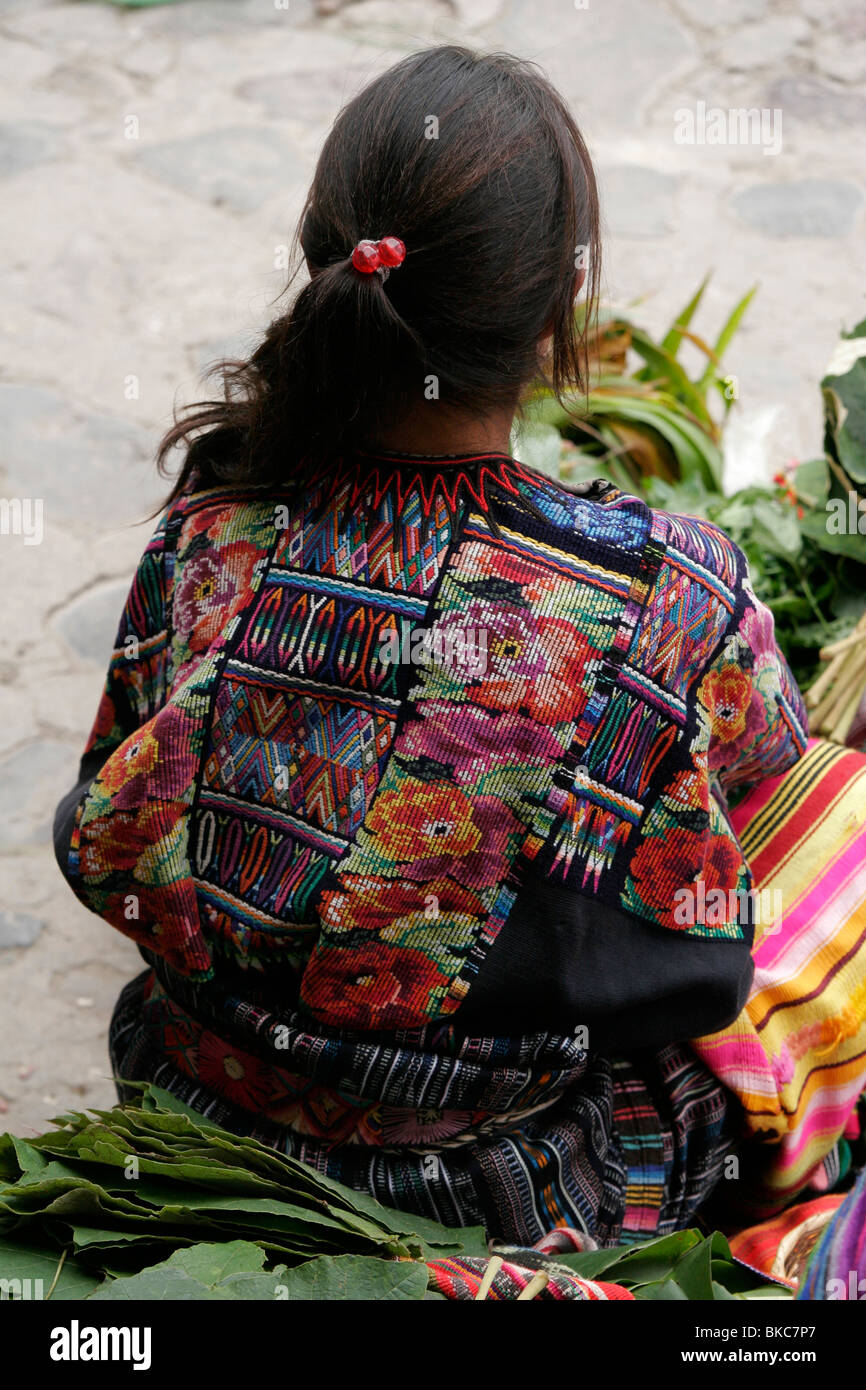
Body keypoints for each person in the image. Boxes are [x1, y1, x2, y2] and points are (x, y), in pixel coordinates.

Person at [54, 45, 842, 1247]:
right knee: (831, 818)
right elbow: (758, 793)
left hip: (196, 1105)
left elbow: (109, 789)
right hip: (497, 1188)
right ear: (555, 316)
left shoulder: (210, 526)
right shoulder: (662, 588)